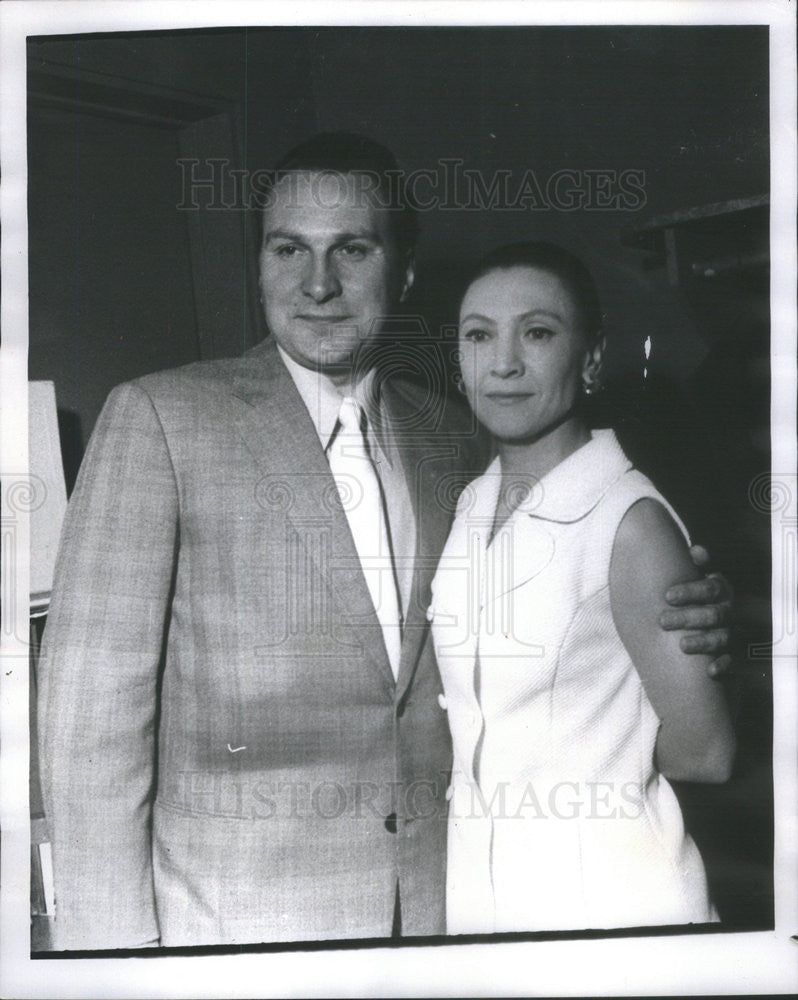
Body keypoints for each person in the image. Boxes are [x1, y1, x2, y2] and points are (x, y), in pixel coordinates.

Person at [38, 135, 731, 950]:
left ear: (402, 271)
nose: (318, 284)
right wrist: (114, 964)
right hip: (238, 938)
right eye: (288, 248)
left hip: (454, 917)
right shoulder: (161, 419)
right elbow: (87, 734)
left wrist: (677, 612)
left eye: (352, 250)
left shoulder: (459, 439)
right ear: (259, 263)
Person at [429, 241, 736, 935]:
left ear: (592, 359)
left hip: (615, 904)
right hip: (484, 904)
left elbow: (706, 753)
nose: (503, 363)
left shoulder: (629, 521)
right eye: (479, 335)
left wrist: (600, 750)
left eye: (537, 333)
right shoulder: (470, 505)